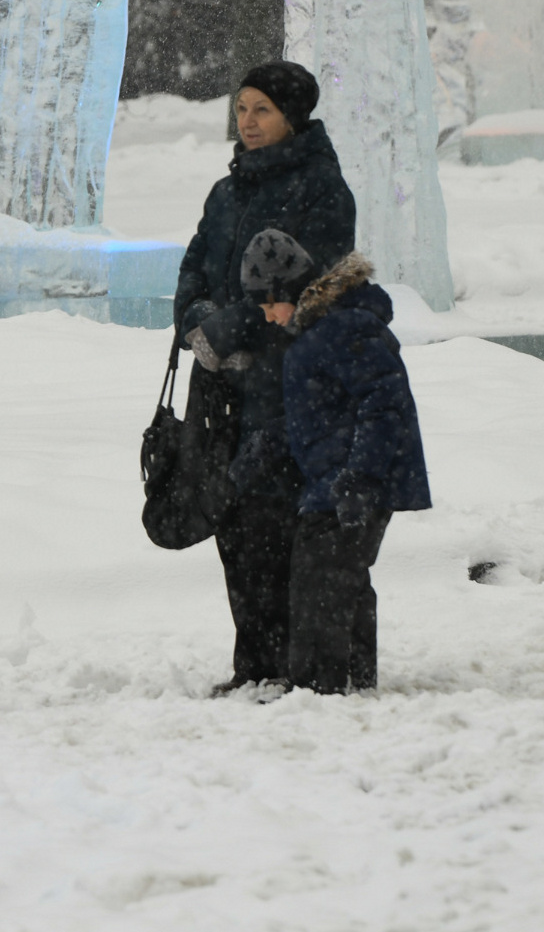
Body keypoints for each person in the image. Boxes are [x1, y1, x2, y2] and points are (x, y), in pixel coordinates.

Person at [172, 61, 357, 695]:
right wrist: (197, 322)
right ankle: (252, 664)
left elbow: (309, 291)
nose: (248, 122)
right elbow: (194, 268)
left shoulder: (321, 189)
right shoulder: (227, 193)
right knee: (235, 523)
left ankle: (286, 665)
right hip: (221, 386)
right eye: (243, 109)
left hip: (285, 387)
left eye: (262, 111)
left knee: (275, 524)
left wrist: (233, 332)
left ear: (292, 117)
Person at [264, 241, 430, 694]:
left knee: (320, 580)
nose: (268, 316)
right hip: (335, 478)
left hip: (351, 480)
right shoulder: (322, 332)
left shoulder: (342, 328)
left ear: (292, 293)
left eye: (269, 304)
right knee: (344, 580)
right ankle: (354, 683)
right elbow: (319, 411)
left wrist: (360, 476)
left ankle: (320, 687)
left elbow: (384, 403)